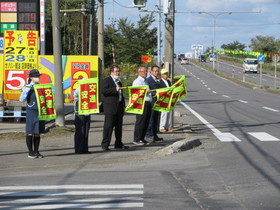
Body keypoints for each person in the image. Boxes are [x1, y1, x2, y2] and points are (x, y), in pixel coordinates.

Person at [101, 65, 128, 151]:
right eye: (116, 71)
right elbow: (103, 91)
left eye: (118, 71)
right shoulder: (107, 80)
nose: (118, 73)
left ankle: (118, 143)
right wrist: (114, 89)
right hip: (110, 107)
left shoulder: (119, 82)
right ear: (111, 72)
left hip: (119, 106)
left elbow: (121, 95)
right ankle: (105, 144)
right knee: (108, 126)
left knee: (119, 127)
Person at [19, 69, 45, 158]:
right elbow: (21, 99)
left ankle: (36, 151)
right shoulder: (27, 86)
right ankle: (30, 152)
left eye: (38, 76)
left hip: (40, 111)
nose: (37, 78)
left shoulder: (40, 86)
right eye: (35, 76)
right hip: (31, 110)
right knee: (30, 132)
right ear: (31, 77)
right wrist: (26, 89)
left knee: (37, 132)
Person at [132, 66, 152, 145]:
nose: (145, 73)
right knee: (140, 121)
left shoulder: (145, 81)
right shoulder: (137, 81)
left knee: (146, 121)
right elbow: (137, 92)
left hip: (148, 102)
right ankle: (137, 138)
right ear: (139, 72)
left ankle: (142, 138)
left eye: (146, 71)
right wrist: (146, 92)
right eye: (144, 71)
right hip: (141, 103)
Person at [145, 65, 163, 142]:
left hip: (157, 101)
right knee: (151, 119)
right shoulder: (148, 80)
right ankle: (149, 135)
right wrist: (155, 93)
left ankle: (154, 134)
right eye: (155, 71)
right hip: (152, 101)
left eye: (157, 71)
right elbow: (148, 91)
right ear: (151, 71)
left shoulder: (156, 80)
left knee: (156, 118)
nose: (156, 72)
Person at [73, 87, 91, 154]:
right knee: (80, 131)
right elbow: (75, 95)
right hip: (79, 113)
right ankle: (78, 149)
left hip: (87, 112)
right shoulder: (79, 89)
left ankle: (85, 148)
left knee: (86, 130)